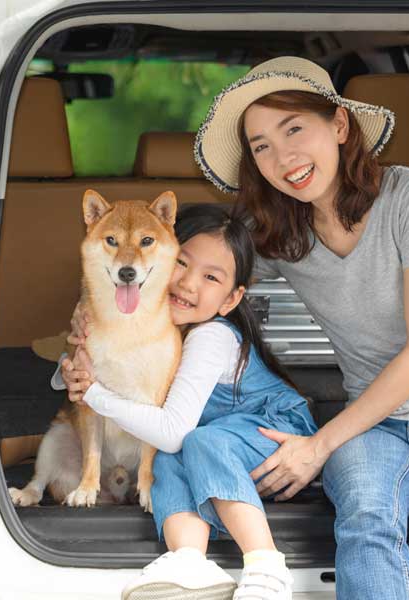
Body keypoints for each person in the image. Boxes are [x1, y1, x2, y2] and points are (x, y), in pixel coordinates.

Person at [194, 56, 409, 599]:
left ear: (340, 126)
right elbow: (191, 273)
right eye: (261, 147)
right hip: (378, 426)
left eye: (294, 128)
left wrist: (316, 447)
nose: (284, 158)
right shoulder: (278, 230)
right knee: (366, 528)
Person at [63, 204, 317, 600]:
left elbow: (172, 429)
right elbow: (105, 357)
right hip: (216, 445)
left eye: (211, 277)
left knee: (194, 442)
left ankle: (266, 566)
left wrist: (94, 394)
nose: (188, 284)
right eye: (181, 263)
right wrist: (72, 364)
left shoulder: (210, 336)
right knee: (168, 459)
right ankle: (188, 561)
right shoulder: (152, 317)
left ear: (231, 300)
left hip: (274, 430)